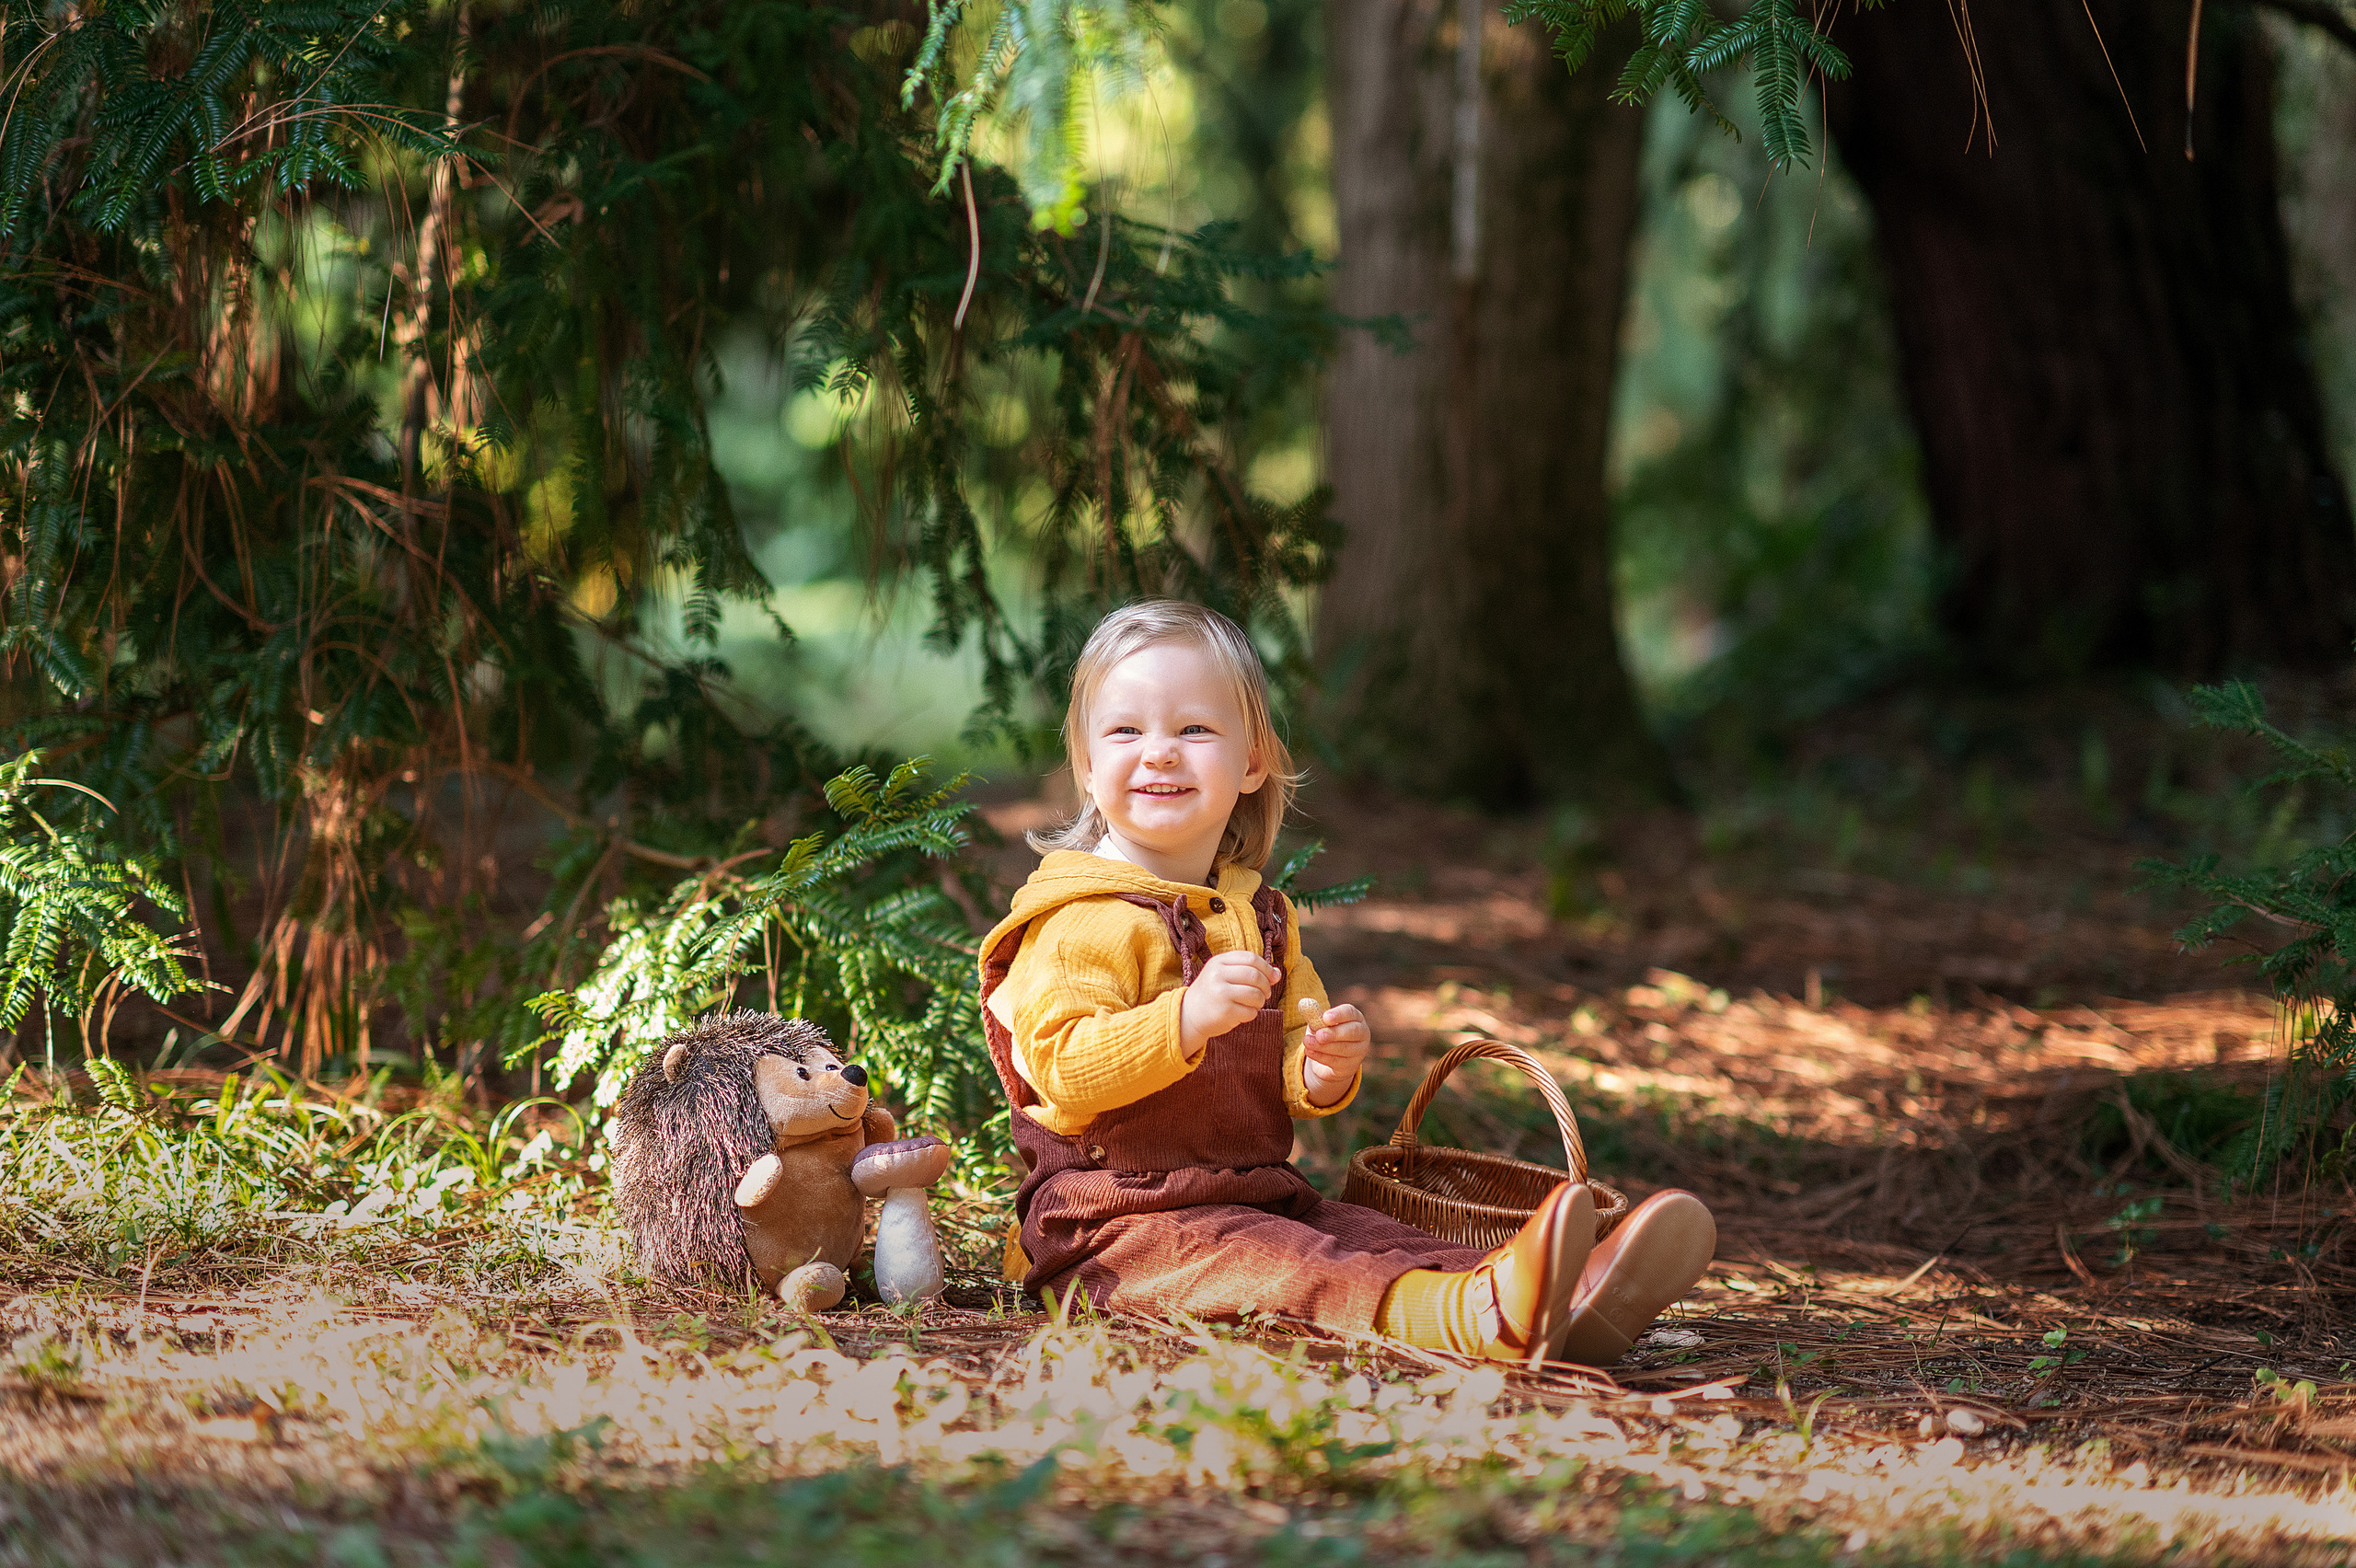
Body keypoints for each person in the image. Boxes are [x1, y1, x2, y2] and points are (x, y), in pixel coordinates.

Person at [977, 600, 1715, 1364]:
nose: (1159, 753)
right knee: (1291, 1269)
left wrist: (1320, 1068)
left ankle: (1567, 1299)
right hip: (1114, 1228)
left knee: (1368, 1237)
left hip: (1255, 1193)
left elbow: (1289, 1062)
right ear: (1087, 766)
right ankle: (1472, 1320)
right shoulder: (1082, 920)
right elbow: (1058, 1067)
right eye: (1126, 731)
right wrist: (1185, 1020)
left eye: (1194, 729)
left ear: (1252, 762)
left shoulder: (1259, 915)